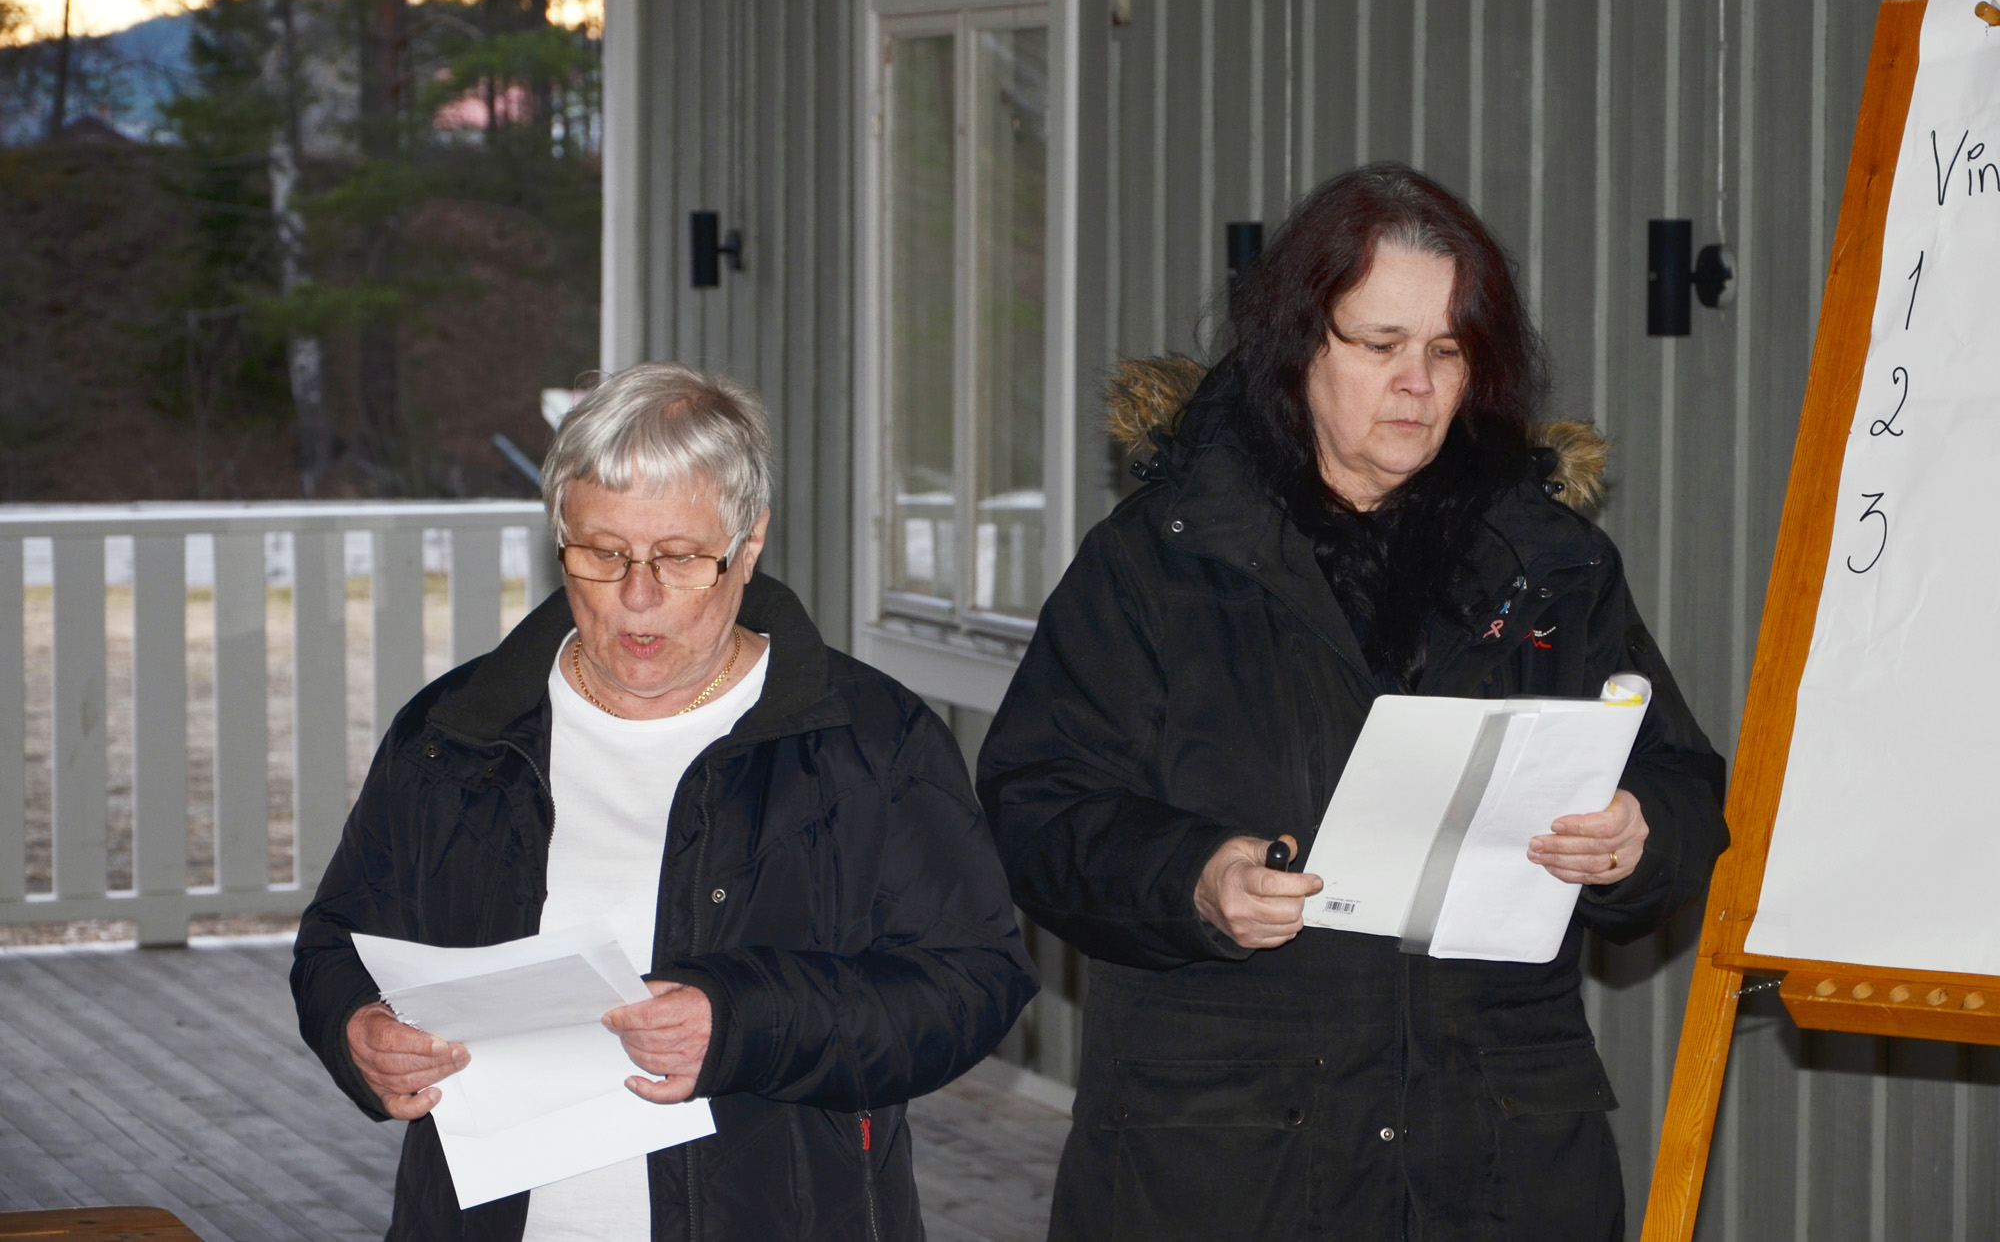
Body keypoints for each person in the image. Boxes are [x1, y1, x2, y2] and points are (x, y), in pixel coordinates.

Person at [978, 164, 1728, 1240]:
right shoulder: (1161, 561)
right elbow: (1035, 804)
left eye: (1447, 350)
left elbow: (1681, 778)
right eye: (1378, 345)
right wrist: (1192, 876)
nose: (1415, 383)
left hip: (1495, 1157)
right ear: (1295, 346)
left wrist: (1635, 836)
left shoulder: (1548, 560)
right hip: (1228, 1160)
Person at [293, 362, 1036, 1241]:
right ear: (559, 534)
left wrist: (741, 1022)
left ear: (749, 543)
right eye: (603, 553)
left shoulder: (869, 741)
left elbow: (972, 984)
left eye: (680, 558)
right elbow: (336, 938)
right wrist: (358, 1030)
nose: (637, 597)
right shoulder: (456, 735)